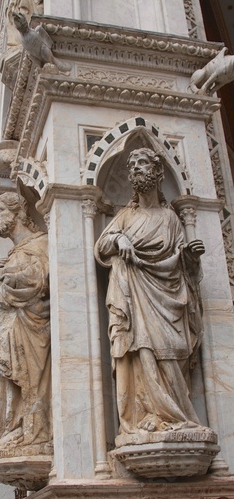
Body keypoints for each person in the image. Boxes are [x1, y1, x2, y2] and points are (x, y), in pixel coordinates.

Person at [94, 148, 205, 436]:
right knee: (140, 349)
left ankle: (177, 417)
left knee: (173, 352)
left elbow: (182, 261)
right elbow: (101, 247)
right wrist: (119, 238)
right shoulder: (125, 216)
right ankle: (147, 415)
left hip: (168, 297)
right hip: (134, 294)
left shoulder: (171, 219)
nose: (135, 169)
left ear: (157, 172)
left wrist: (190, 257)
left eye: (142, 163)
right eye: (131, 165)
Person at [0, 192, 51, 449]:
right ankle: (13, 427)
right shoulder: (11, 254)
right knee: (4, 380)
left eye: (0, 211)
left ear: (18, 213)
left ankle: (33, 432)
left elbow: (42, 279)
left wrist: (5, 276)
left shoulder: (41, 243)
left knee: (30, 380)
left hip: (30, 327)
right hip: (6, 327)